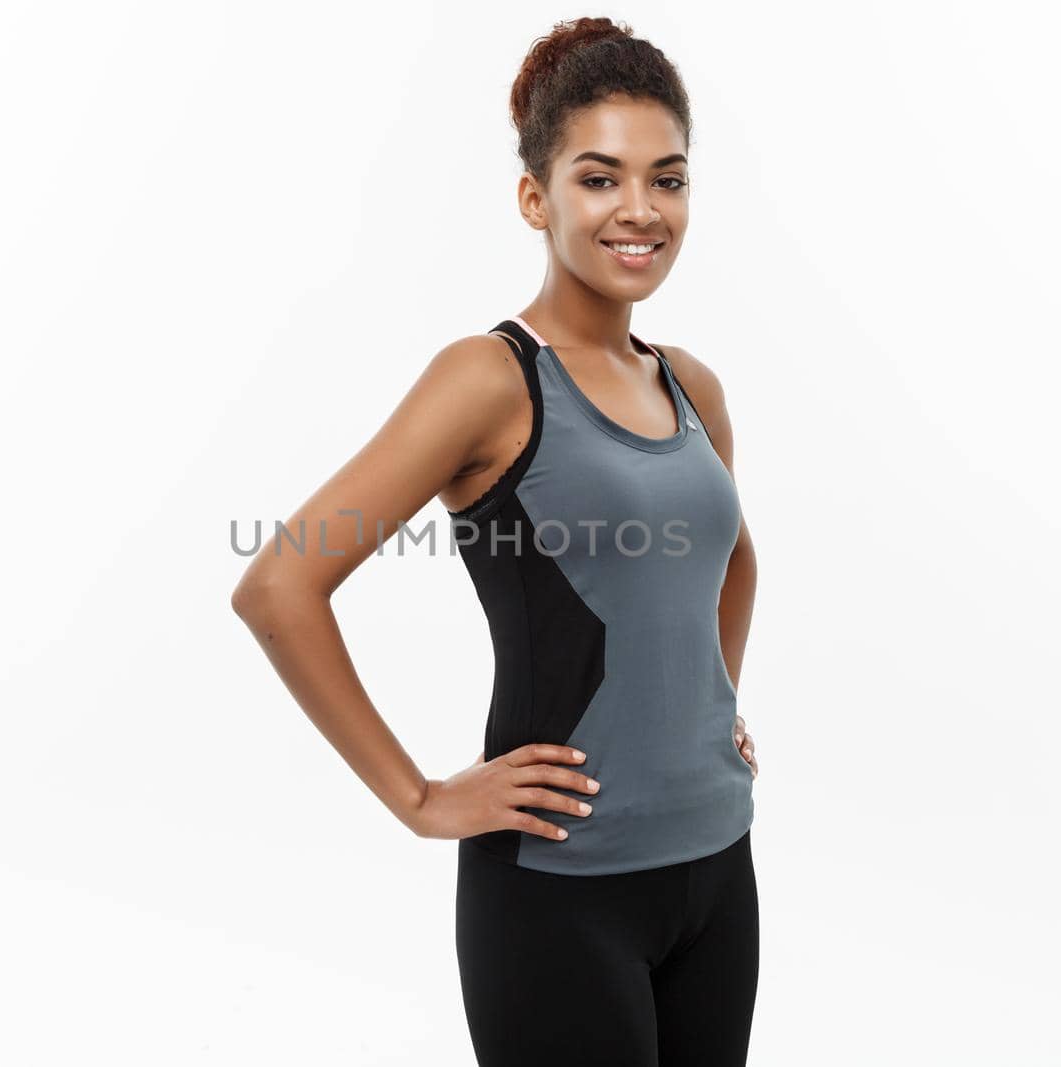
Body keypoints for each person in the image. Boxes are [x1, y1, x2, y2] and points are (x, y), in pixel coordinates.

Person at [232, 16, 761, 1065]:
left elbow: (729, 558)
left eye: (668, 178)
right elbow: (280, 583)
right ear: (536, 197)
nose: (640, 211)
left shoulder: (691, 383)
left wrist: (714, 708)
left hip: (717, 867)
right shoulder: (487, 379)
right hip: (559, 893)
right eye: (599, 178)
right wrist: (419, 798)